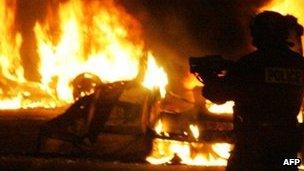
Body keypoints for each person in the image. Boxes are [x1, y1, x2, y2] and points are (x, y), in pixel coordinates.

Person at [202, 11, 304, 171]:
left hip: (253, 147)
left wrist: (208, 77)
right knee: (290, 165)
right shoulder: (298, 63)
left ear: (259, 34)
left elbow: (218, 95)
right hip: (287, 144)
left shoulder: (250, 64)